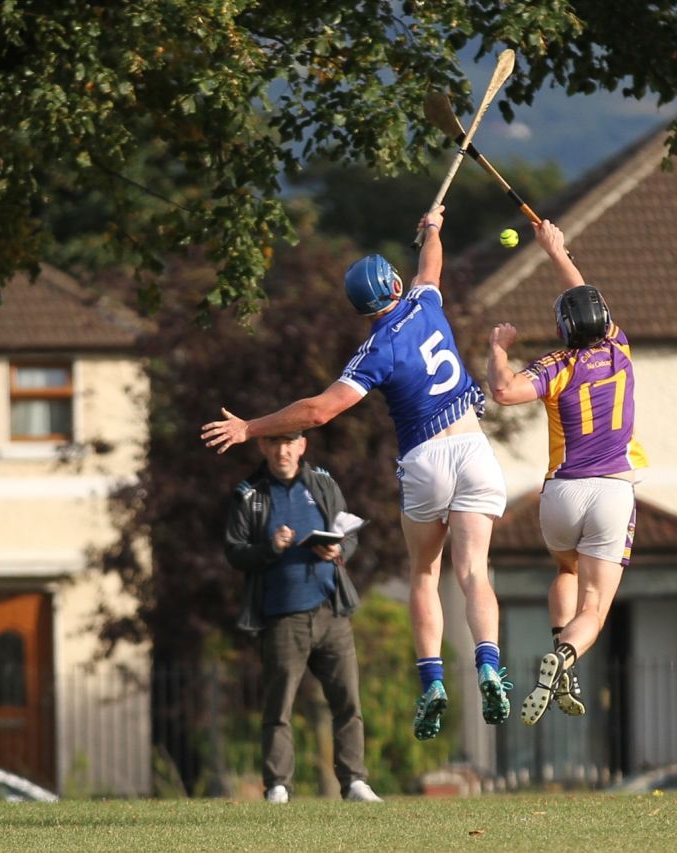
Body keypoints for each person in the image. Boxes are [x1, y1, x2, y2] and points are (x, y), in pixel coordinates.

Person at [203, 205, 511, 742]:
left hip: (425, 459)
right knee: (474, 573)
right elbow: (430, 267)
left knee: (424, 575)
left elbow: (319, 411)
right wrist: (433, 227)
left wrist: (252, 428)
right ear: (395, 284)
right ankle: (488, 663)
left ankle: (433, 680)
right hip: (473, 445)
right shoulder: (424, 301)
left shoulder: (373, 350)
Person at [486, 219, 647, 726]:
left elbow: (505, 392)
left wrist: (498, 349)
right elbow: (584, 297)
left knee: (566, 569)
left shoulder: (558, 364)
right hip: (613, 492)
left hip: (561, 494)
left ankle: (562, 653)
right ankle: (566, 658)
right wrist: (556, 249)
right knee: (595, 607)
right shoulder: (619, 348)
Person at [224, 430, 382, 803]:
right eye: (274, 443)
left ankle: (355, 781)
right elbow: (234, 552)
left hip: (332, 611)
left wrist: (339, 549)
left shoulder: (323, 483)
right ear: (263, 447)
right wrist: (270, 547)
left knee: (347, 702)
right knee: (279, 706)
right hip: (282, 617)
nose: (282, 450)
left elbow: (348, 530)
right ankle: (277, 785)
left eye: (289, 442)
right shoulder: (249, 493)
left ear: (301, 446)